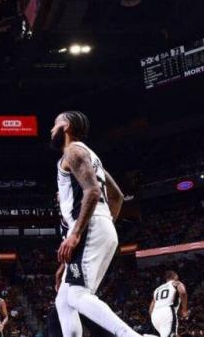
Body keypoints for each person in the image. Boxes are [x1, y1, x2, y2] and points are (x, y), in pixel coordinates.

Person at [50, 112, 153, 337]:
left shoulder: (73, 151)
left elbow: (93, 191)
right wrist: (104, 223)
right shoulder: (90, 156)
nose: (51, 130)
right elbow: (117, 196)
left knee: (77, 295)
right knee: (64, 299)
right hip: (97, 226)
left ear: (66, 126)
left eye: (55, 124)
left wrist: (78, 233)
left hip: (90, 227)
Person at [149, 271, 188, 337]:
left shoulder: (157, 289)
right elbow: (183, 292)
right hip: (167, 311)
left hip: (154, 315)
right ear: (174, 276)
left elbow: (150, 310)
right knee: (172, 335)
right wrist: (184, 309)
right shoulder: (176, 283)